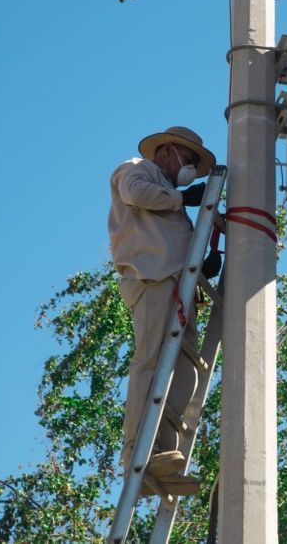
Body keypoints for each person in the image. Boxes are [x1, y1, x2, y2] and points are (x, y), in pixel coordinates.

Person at [108, 126, 220, 497]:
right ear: (169, 150)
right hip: (152, 281)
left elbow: (174, 240)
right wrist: (182, 198)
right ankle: (135, 453)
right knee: (151, 363)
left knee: (184, 372)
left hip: (178, 288)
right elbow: (135, 194)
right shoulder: (136, 169)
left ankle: (162, 453)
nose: (187, 169)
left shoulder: (171, 198)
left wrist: (200, 267)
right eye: (187, 161)